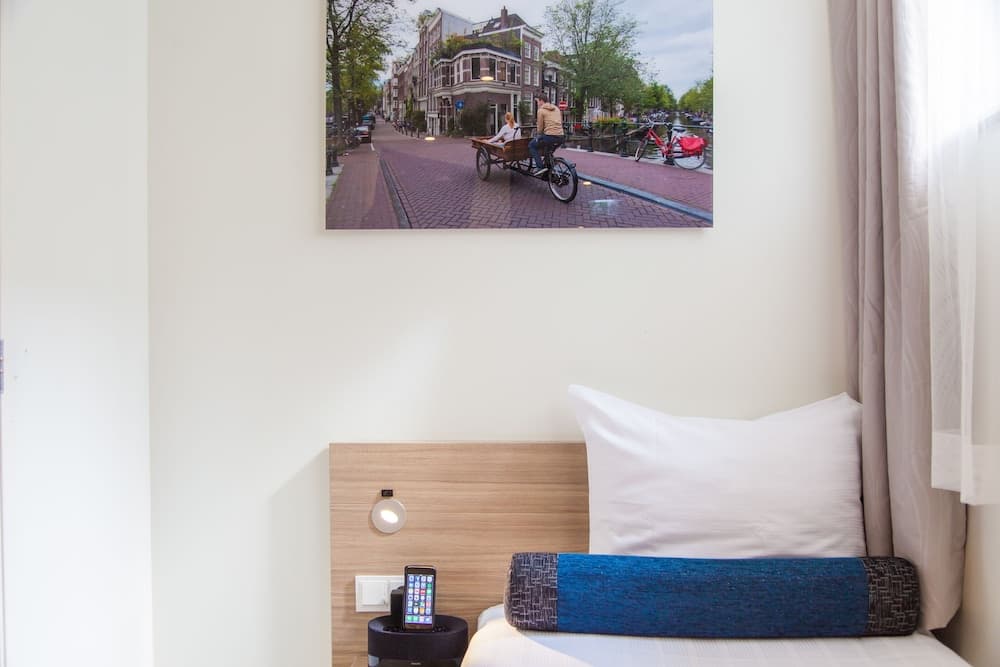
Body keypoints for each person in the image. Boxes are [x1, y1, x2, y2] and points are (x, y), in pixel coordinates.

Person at [528, 96, 564, 176]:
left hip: (550, 136)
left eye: (537, 102)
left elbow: (540, 128)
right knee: (548, 151)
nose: (537, 104)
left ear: (541, 101)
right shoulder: (556, 108)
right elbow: (560, 122)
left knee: (532, 145)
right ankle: (549, 167)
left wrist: (538, 134)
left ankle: (540, 167)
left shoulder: (541, 110)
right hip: (561, 136)